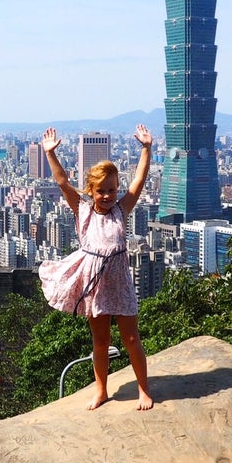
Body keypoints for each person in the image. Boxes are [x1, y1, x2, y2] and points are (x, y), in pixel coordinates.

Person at [38, 124, 154, 411]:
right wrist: (51, 153)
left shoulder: (121, 209)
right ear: (91, 191)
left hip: (120, 282)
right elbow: (63, 182)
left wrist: (146, 148)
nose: (107, 195)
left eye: (112, 190)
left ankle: (144, 390)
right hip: (95, 284)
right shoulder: (83, 210)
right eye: (101, 191)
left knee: (131, 338)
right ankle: (101, 390)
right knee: (100, 342)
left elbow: (139, 180)